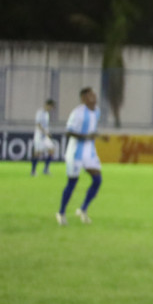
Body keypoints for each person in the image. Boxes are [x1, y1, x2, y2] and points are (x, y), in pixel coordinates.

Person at [56, 87, 103, 225]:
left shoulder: (97, 111)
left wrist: (98, 136)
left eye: (94, 94)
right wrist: (86, 136)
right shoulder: (78, 113)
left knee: (97, 180)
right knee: (72, 183)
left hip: (89, 152)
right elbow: (69, 132)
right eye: (89, 95)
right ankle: (61, 212)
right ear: (83, 99)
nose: (93, 97)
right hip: (76, 152)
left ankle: (83, 209)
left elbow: (92, 130)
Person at [32, 99, 55, 175]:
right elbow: (38, 124)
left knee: (51, 150)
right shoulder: (40, 112)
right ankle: (33, 171)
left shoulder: (46, 114)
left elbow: (45, 125)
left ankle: (45, 169)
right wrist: (45, 132)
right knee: (37, 153)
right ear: (47, 105)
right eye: (51, 107)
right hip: (39, 135)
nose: (51, 109)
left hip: (45, 136)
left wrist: (47, 132)